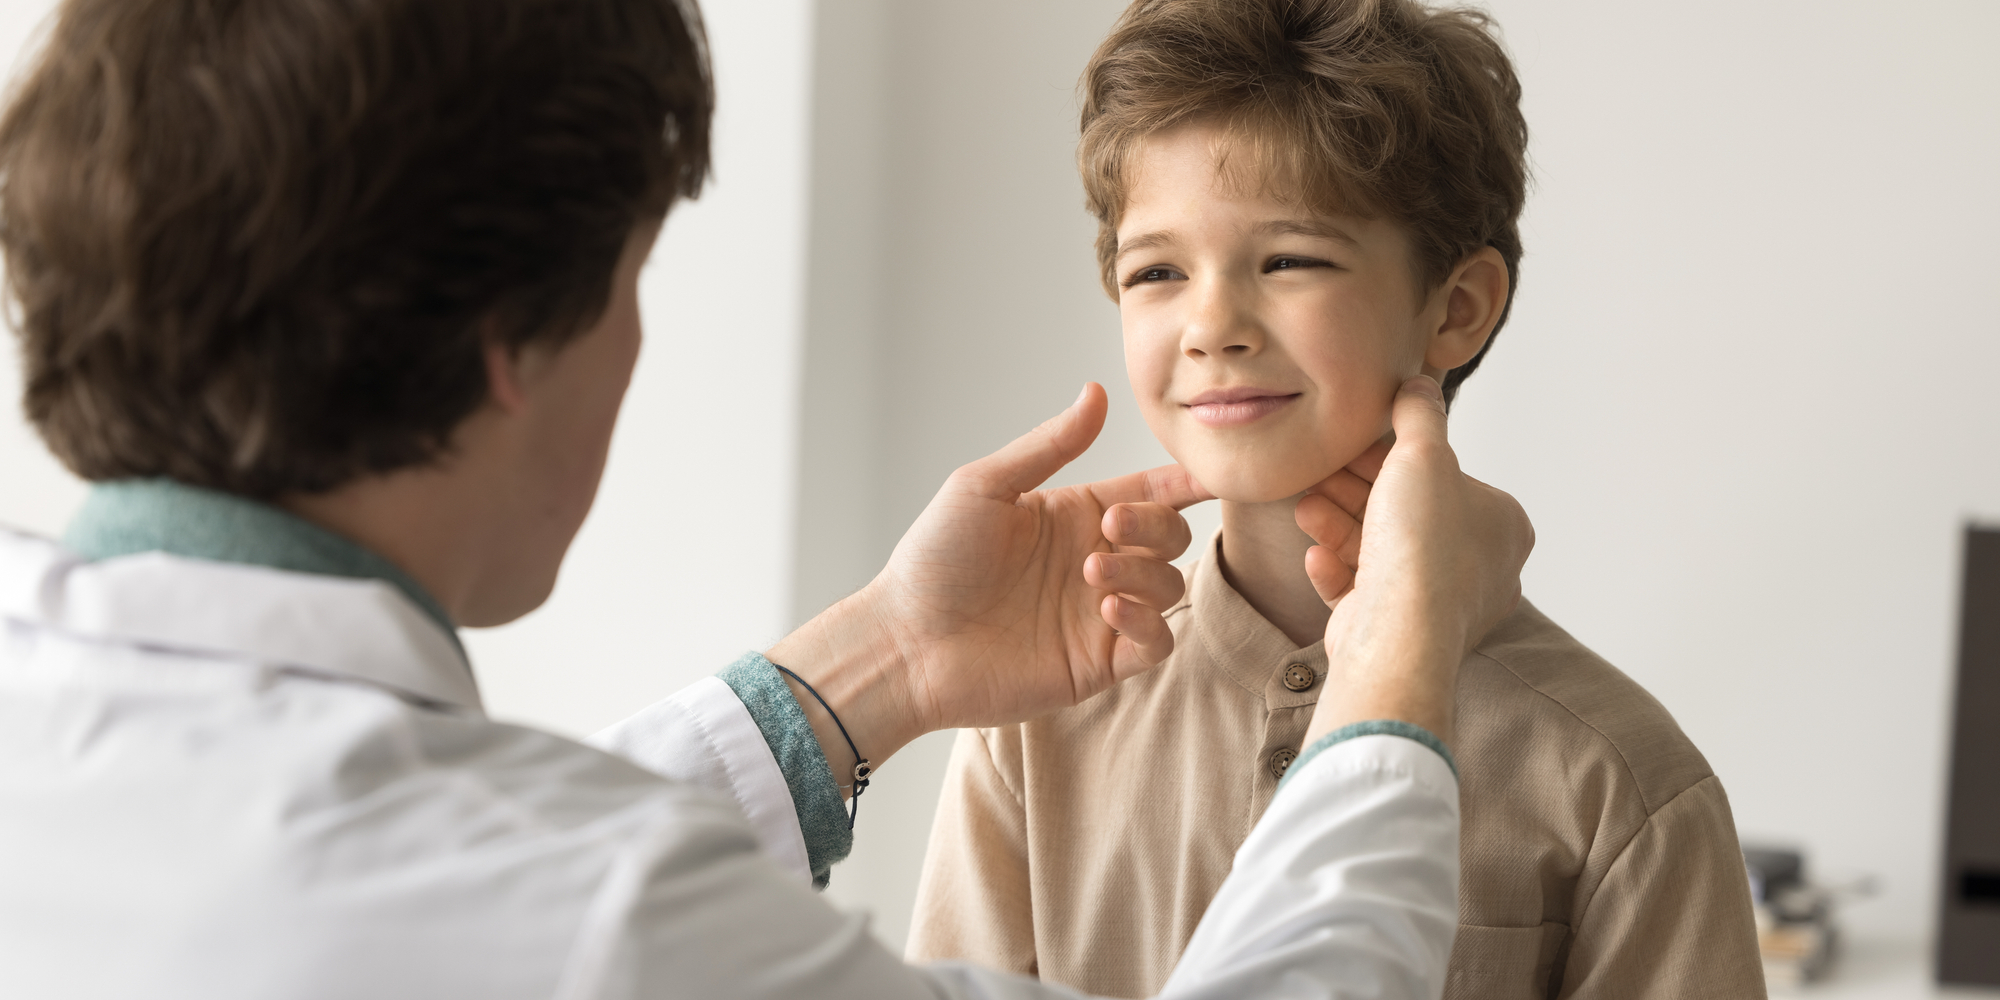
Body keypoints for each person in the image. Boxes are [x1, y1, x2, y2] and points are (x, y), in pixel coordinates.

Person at [0, 0, 1532, 997]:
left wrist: (888, 664)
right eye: (628, 282)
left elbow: (405, 851)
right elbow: (518, 900)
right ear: (509, 343)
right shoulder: (587, 925)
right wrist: (1400, 661)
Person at [907, 2, 1765, 998]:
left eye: (1288, 260)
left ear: (1454, 308)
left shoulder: (1616, 780)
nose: (1210, 324)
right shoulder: (1033, 724)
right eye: (1156, 271)